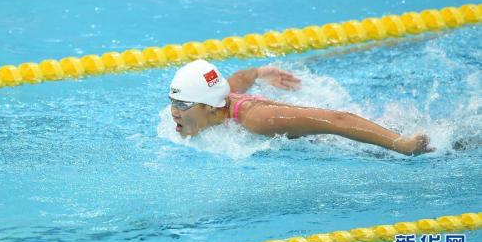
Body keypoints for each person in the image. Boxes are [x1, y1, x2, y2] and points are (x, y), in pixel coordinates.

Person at [168, 59, 435, 156]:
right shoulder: (221, 97)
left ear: (212, 107)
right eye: (173, 102)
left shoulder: (257, 119)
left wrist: (402, 144)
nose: (173, 112)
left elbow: (337, 119)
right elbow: (239, 78)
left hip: (347, 143)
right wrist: (262, 71)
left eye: (182, 104)